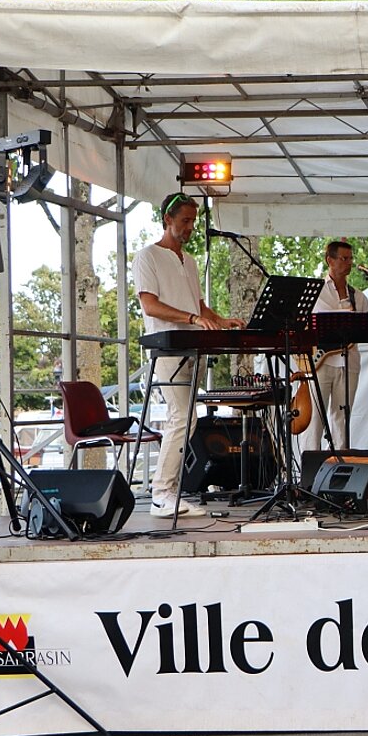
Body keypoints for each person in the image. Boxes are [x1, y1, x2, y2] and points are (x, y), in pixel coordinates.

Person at [133, 192, 245, 518]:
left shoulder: (190, 261)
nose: (190, 227)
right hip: (167, 349)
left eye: (194, 221)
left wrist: (220, 320)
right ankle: (161, 494)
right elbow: (150, 305)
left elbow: (197, 305)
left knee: (188, 418)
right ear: (167, 220)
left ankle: (169, 492)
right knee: (181, 417)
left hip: (193, 348)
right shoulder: (147, 257)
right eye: (185, 220)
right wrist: (194, 319)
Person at [306, 239, 368, 450]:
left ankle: (342, 465)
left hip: (348, 363)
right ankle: (309, 469)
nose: (349, 263)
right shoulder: (315, 291)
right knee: (316, 416)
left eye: (350, 258)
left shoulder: (358, 297)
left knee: (342, 417)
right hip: (320, 362)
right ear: (330, 261)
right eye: (343, 258)